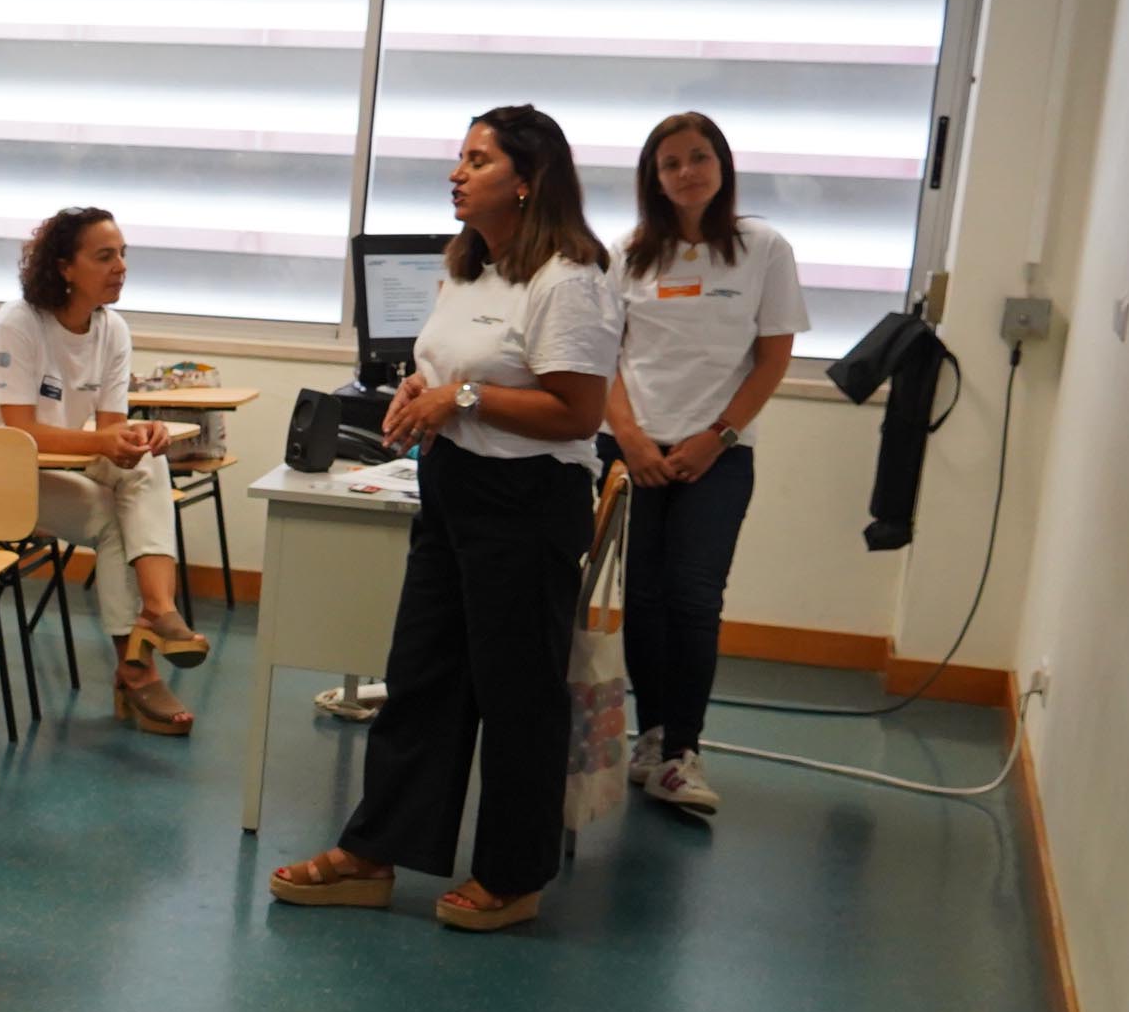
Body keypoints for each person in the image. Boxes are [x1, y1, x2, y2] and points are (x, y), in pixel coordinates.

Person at [270, 105, 621, 933]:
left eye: (479, 160)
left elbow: (576, 413)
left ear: (528, 181)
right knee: (421, 680)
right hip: (455, 491)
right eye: (459, 158)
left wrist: (458, 398)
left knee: (517, 696)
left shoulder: (569, 280)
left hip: (528, 503)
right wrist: (417, 401)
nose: (457, 173)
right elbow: (444, 372)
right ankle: (373, 851)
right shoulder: (469, 268)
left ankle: (512, 874)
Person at [607, 112, 804, 822]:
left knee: (694, 596)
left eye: (699, 157)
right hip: (636, 450)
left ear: (720, 164)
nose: (687, 172)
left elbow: (774, 357)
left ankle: (683, 750)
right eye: (670, 163)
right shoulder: (626, 254)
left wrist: (714, 437)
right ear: (653, 179)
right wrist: (629, 438)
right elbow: (606, 356)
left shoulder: (763, 249)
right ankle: (651, 738)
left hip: (718, 454)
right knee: (645, 597)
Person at [0, 208, 211, 740]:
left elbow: (112, 432)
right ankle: (139, 665)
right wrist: (105, 442)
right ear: (65, 268)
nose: (120, 267)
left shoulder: (112, 327)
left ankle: (159, 613)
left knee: (147, 461)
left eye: (123, 254)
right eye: (105, 256)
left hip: (51, 466)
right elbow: (19, 431)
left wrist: (138, 437)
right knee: (108, 516)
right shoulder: (16, 325)